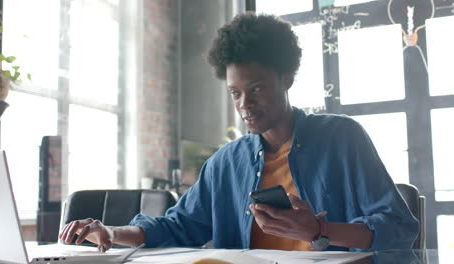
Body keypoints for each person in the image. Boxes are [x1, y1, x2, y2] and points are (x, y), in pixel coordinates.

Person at [59, 12, 419, 253]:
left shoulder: (342, 138)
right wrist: (111, 232)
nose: (244, 103)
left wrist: (320, 230)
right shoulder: (225, 163)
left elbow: (400, 227)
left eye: (257, 88)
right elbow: (178, 226)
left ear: (287, 79)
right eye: (235, 92)